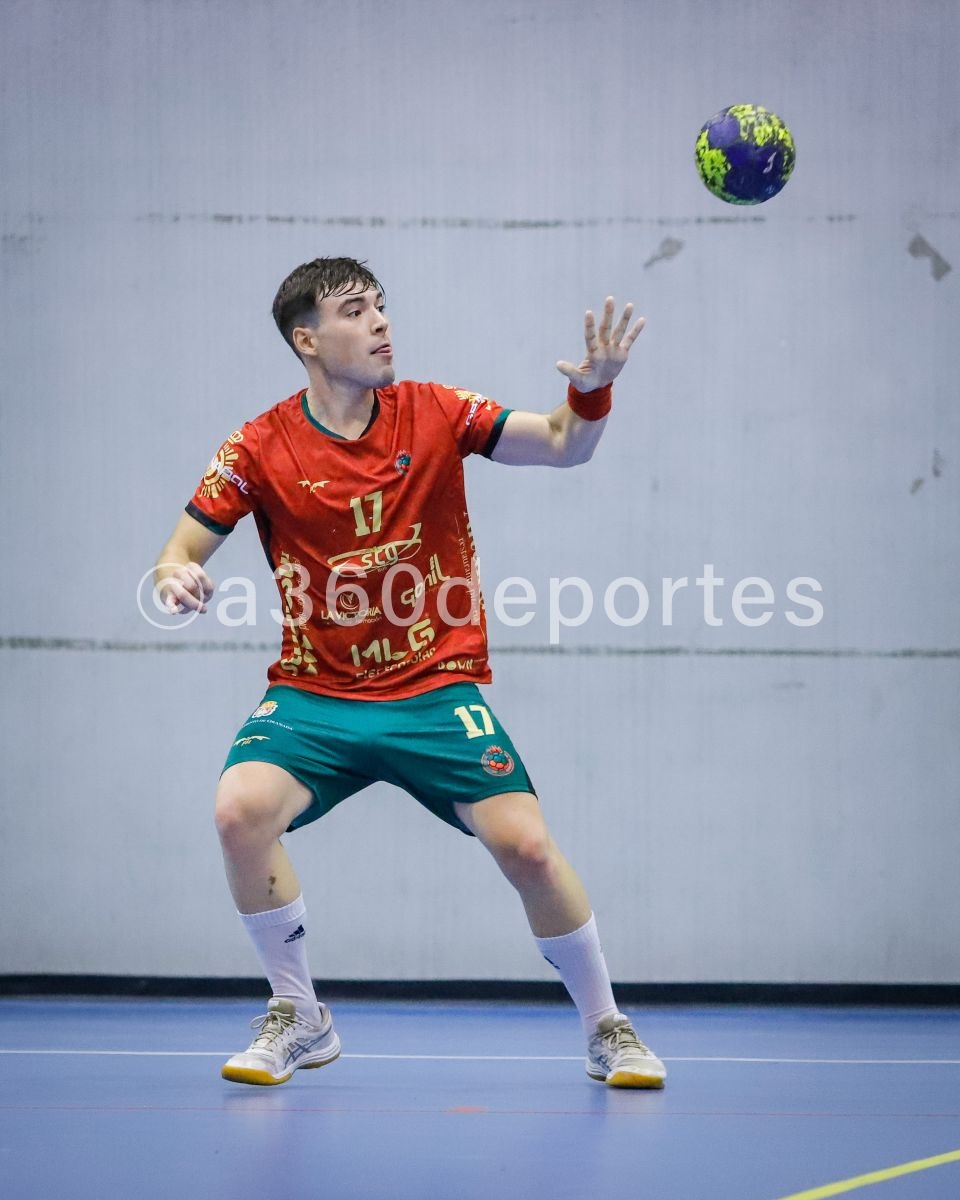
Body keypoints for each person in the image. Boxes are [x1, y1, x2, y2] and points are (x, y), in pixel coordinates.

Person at [154, 256, 666, 1090]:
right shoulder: (257, 446)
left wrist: (594, 391)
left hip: (433, 690)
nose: (381, 322)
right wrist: (175, 577)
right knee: (239, 811)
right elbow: (178, 549)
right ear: (307, 339)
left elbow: (564, 444)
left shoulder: (435, 411)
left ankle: (608, 1027)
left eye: (382, 306)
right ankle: (299, 1014)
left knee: (529, 848)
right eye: (356, 310)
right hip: (315, 694)